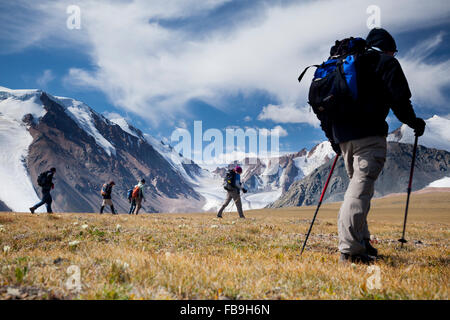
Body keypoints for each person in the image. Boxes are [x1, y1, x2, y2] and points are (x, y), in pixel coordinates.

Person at [315, 28, 426, 264]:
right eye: (393, 51)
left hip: (343, 139)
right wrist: (415, 122)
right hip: (369, 136)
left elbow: (324, 108)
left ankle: (363, 240)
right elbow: (400, 101)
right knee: (360, 191)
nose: (394, 55)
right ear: (387, 47)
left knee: (359, 189)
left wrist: (334, 139)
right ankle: (351, 250)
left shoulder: (346, 67)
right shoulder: (385, 63)